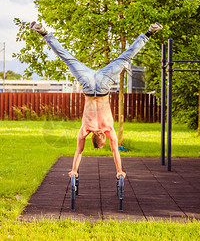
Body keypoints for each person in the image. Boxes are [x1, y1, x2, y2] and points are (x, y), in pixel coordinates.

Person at [30, 21, 163, 179]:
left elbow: (114, 152)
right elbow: (79, 151)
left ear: (104, 138)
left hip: (103, 85)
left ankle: (149, 32)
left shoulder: (108, 129)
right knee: (67, 57)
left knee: (126, 57)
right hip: (87, 84)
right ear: (91, 137)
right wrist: (74, 170)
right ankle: (44, 32)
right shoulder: (85, 129)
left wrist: (119, 171)